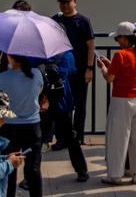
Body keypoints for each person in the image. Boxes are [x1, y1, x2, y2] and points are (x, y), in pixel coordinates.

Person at [98, 21, 136, 185]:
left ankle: (115, 175)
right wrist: (111, 65)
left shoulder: (121, 55)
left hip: (123, 100)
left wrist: (103, 69)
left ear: (125, 39)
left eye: (118, 38)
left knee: (118, 137)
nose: (117, 42)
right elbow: (128, 72)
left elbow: (110, 78)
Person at [0, 54, 44, 197]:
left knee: (8, 168)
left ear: (11, 58)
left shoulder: (3, 77)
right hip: (32, 127)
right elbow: (38, 93)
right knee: (33, 169)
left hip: (8, 127)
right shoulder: (36, 74)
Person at [52, 0, 95, 146]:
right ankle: (63, 137)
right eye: (61, 2)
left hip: (80, 69)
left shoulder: (83, 21)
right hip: (61, 70)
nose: (64, 5)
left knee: (80, 104)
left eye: (67, 2)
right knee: (62, 105)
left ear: (74, 2)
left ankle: (78, 136)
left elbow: (91, 46)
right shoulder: (55, 20)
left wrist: (89, 68)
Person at [41, 48, 89, 182]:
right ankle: (81, 170)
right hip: (59, 99)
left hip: (48, 100)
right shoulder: (66, 54)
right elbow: (69, 71)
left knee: (40, 137)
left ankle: (81, 169)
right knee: (68, 136)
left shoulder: (39, 55)